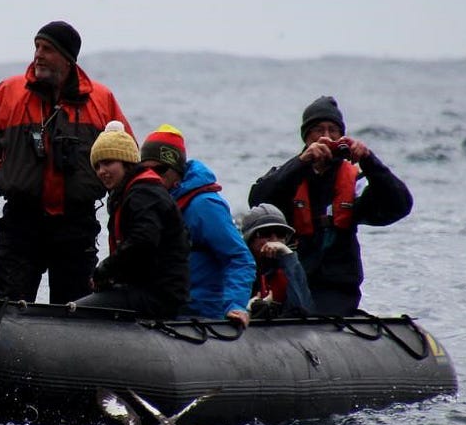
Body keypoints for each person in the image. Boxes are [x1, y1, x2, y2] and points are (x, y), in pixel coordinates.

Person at [0, 20, 131, 303]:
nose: (38, 55)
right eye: (37, 47)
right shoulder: (8, 92)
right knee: (7, 302)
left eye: (48, 49)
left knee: (76, 307)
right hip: (21, 219)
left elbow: (127, 154)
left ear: (68, 59)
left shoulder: (101, 100)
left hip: (77, 223)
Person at [246, 96, 413, 314]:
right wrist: (301, 162)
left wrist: (370, 161)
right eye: (317, 130)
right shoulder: (289, 174)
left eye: (332, 130)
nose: (325, 137)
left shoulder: (355, 182)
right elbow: (258, 201)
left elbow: (399, 205)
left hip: (336, 288)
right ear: (306, 137)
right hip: (288, 278)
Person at [138, 125, 253, 325]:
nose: (153, 176)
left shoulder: (204, 205)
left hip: (202, 312)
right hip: (164, 308)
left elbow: (240, 258)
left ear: (177, 170)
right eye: (146, 170)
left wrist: (235, 305)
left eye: (160, 170)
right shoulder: (150, 203)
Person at [73, 122, 189, 318]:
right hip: (144, 288)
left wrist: (105, 270)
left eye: (109, 162)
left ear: (127, 162)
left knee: (76, 312)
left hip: (158, 295)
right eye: (98, 166)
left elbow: (142, 242)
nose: (102, 171)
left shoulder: (143, 193)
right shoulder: (131, 193)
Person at [239, 204, 315, 319]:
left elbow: (305, 311)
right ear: (250, 238)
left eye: (281, 234)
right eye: (265, 233)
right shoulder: (235, 269)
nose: (274, 240)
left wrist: (289, 256)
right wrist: (248, 309)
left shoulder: (289, 269)